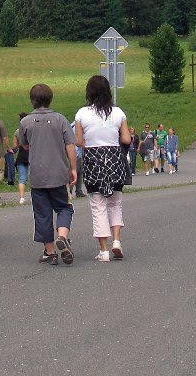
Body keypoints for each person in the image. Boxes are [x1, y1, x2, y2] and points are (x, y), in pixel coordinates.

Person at [74, 75, 131, 262]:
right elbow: (126, 140)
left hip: (93, 159)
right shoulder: (118, 113)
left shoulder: (82, 113)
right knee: (115, 202)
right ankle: (116, 241)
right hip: (114, 159)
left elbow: (79, 141)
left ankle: (104, 250)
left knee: (98, 205)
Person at [19, 83, 76, 266]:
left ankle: (50, 252)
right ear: (50, 99)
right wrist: (73, 168)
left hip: (37, 176)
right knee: (64, 207)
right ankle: (62, 236)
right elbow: (70, 145)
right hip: (58, 173)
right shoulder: (60, 119)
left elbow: (24, 145)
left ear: (32, 100)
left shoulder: (25, 122)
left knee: (42, 214)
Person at [13, 120, 29, 204]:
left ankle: (22, 198)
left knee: (22, 179)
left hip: (21, 157)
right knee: (33, 178)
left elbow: (15, 147)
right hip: (32, 156)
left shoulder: (17, 132)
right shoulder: (32, 130)